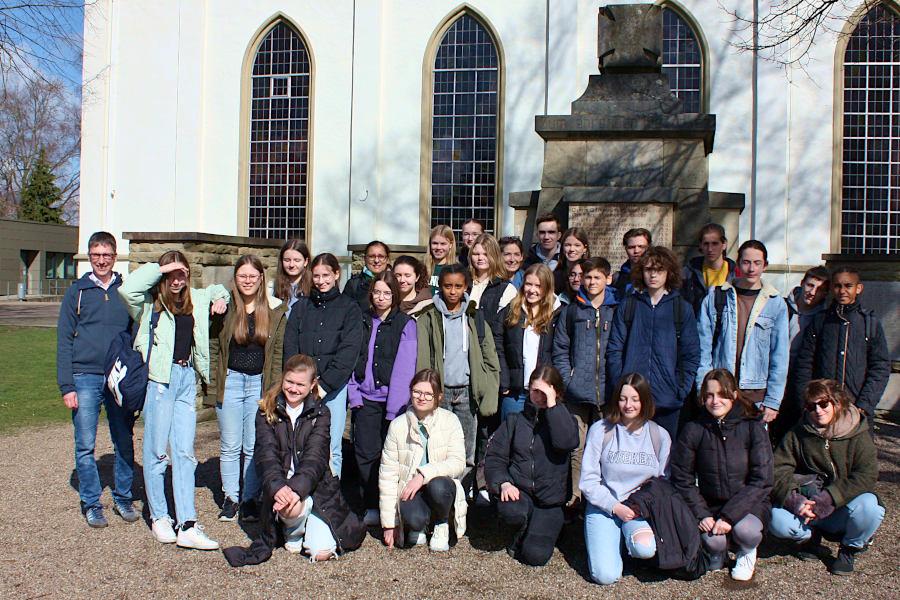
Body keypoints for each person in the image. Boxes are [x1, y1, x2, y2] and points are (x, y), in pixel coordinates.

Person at [118, 251, 229, 549]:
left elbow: (220, 290)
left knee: (184, 453)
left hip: (185, 379)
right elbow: (127, 289)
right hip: (159, 382)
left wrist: (221, 299)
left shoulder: (195, 298)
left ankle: (188, 523)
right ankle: (159, 516)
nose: (178, 280)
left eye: (183, 273)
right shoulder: (148, 304)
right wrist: (160, 267)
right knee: (156, 452)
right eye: (172, 274)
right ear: (164, 274)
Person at [223, 354, 365, 565]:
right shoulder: (265, 411)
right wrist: (280, 488)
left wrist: (296, 489)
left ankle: (308, 526)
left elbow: (315, 459)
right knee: (290, 508)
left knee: (321, 551)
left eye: (300, 384)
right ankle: (293, 531)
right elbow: (266, 455)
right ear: (283, 379)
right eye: (289, 382)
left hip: (316, 490)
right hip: (283, 490)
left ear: (312, 385)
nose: (294, 388)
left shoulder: (321, 413)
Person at [56, 231, 136, 528]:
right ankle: (91, 502)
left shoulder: (126, 291)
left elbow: (136, 334)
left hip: (117, 376)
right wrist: (67, 386)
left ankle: (124, 496)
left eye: (107, 255)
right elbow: (64, 340)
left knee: (123, 440)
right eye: (96, 255)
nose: (101, 260)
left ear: (115, 257)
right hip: (85, 376)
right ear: (89, 257)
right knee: (85, 444)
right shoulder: (76, 292)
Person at [768, 379, 884, 576]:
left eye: (823, 404)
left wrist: (830, 498)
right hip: (808, 505)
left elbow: (867, 475)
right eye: (811, 406)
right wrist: (796, 500)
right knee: (775, 518)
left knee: (870, 507)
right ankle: (808, 539)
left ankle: (850, 548)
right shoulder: (798, 432)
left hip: (840, 505)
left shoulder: (857, 432)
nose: (818, 411)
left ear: (837, 403)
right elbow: (777, 470)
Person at [669, 369, 774, 581]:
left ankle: (747, 551)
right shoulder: (694, 429)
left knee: (746, 531)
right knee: (713, 540)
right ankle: (719, 552)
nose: (715, 400)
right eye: (709, 395)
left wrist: (729, 517)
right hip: (711, 505)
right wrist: (702, 514)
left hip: (748, 505)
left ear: (734, 395)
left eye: (721, 394)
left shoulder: (753, 427)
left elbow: (762, 480)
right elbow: (682, 478)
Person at [211, 255, 288, 523]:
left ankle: (249, 499)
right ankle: (231, 497)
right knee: (230, 445)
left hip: (259, 383)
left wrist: (274, 389)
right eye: (242, 276)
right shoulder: (226, 307)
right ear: (235, 279)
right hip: (231, 381)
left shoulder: (275, 310)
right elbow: (215, 347)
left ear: (261, 279)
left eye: (252, 276)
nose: (247, 281)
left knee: (254, 445)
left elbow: (277, 354)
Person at [416, 263, 500, 494]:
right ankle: (438, 497)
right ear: (440, 287)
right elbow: (423, 357)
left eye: (458, 286)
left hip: (466, 392)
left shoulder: (475, 317)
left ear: (466, 287)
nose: (452, 291)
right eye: (447, 286)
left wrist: (488, 391)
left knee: (465, 450)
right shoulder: (428, 317)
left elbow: (489, 357)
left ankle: (461, 498)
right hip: (439, 393)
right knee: (436, 448)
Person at [580, 373, 671, 585]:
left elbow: (663, 482)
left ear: (645, 401)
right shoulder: (601, 430)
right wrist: (614, 507)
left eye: (635, 399)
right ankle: (608, 542)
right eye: (623, 399)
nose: (628, 405)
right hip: (604, 507)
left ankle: (625, 544)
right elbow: (589, 480)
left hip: (639, 510)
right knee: (605, 576)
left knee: (645, 548)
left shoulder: (660, 435)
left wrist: (638, 507)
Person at [484, 365, 579, 567]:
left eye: (545, 392)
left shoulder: (566, 420)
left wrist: (552, 405)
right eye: (535, 391)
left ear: (556, 392)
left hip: (550, 501)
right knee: (511, 511)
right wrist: (503, 483)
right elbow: (494, 457)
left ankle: (548, 529)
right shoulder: (514, 421)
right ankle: (522, 527)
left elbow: (566, 443)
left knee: (535, 556)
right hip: (521, 492)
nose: (540, 397)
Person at [606, 246, 700, 439]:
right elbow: (615, 348)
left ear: (669, 272)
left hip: (667, 399)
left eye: (659, 270)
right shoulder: (629, 305)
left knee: (663, 460)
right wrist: (620, 382)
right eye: (649, 270)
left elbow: (690, 354)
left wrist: (680, 388)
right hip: (632, 399)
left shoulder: (681, 309)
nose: (653, 275)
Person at [283, 253, 363, 478]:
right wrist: (299, 383)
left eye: (326, 275)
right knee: (300, 445)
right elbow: (291, 346)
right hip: (301, 389)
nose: (321, 280)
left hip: (333, 390)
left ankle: (329, 503)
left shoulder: (350, 308)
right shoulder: (301, 307)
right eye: (316, 276)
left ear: (336, 274)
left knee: (331, 448)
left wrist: (324, 385)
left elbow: (349, 351)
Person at [348, 270, 417, 527]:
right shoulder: (362, 320)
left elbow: (405, 367)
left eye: (386, 293)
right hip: (364, 399)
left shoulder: (405, 324)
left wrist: (394, 409)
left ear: (395, 295)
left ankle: (392, 505)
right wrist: (354, 394)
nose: (380, 297)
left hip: (392, 402)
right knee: (365, 454)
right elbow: (353, 357)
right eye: (376, 292)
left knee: (391, 456)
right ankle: (370, 505)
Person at [696, 240, 789, 424]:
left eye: (757, 263)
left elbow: (780, 356)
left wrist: (773, 401)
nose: (751, 269)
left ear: (765, 265)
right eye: (746, 262)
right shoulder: (716, 296)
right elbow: (703, 349)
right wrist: (703, 389)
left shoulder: (775, 303)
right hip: (721, 393)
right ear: (738, 264)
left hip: (757, 397)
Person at [552, 257, 618, 509]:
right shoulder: (573, 311)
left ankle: (602, 498)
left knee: (605, 447)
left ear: (608, 279)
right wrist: (568, 380)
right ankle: (576, 497)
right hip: (576, 391)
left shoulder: (617, 309)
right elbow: (561, 348)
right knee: (576, 447)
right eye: (587, 277)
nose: (591, 282)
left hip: (608, 392)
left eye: (597, 277)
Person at [379, 369, 467, 552]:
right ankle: (422, 525)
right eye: (417, 392)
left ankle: (442, 523)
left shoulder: (450, 421)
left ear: (438, 396)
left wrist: (423, 474)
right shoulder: (397, 426)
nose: (422, 398)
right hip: (412, 489)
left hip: (440, 485)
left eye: (428, 394)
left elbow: (458, 463)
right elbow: (388, 475)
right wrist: (389, 524)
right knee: (413, 517)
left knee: (438, 486)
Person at [793, 266, 890, 424]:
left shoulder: (869, 323)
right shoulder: (820, 321)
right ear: (832, 288)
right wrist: (807, 402)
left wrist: (864, 406)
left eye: (848, 286)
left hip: (856, 409)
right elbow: (804, 364)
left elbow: (880, 367)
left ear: (858, 288)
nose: (842, 291)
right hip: (821, 409)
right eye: (837, 286)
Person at [770, 265, 830, 443]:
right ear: (802, 283)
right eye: (810, 285)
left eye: (819, 290)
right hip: (775, 375)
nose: (812, 292)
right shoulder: (781, 306)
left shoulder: (823, 318)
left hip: (802, 378)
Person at [495, 264, 559, 420]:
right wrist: (504, 380)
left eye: (538, 286)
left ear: (547, 288)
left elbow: (560, 351)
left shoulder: (557, 313)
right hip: (515, 392)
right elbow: (498, 345)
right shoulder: (511, 311)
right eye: (529, 284)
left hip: (543, 391)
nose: (532, 290)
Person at [680, 223, 738, 314]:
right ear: (700, 245)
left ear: (724, 244)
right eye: (706, 244)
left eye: (715, 243)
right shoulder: (687, 273)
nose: (710, 249)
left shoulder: (735, 273)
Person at [468, 233, 518, 335]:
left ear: (494, 255)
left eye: (486, 254)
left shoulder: (506, 288)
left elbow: (506, 328)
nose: (480, 258)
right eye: (476, 254)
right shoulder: (463, 283)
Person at [344, 240, 391, 312]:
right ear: (365, 259)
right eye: (372, 256)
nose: (376, 260)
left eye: (381, 256)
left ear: (387, 259)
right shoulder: (353, 285)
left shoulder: (395, 283)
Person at [272, 239, 312, 316]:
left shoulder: (313, 286)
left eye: (297, 260)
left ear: (306, 261)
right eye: (287, 260)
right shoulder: (273, 287)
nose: (291, 265)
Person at [611, 228, 651, 301]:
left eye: (641, 246)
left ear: (648, 247)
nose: (636, 251)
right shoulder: (617, 278)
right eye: (631, 247)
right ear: (626, 248)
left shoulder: (656, 276)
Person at [554, 227, 590, 294]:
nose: (572, 249)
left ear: (585, 248)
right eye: (567, 245)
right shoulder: (555, 277)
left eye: (577, 245)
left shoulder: (592, 272)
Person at [426, 225, 456, 293]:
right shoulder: (421, 267)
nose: (438, 247)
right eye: (435, 243)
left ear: (450, 244)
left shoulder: (457, 269)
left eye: (443, 244)